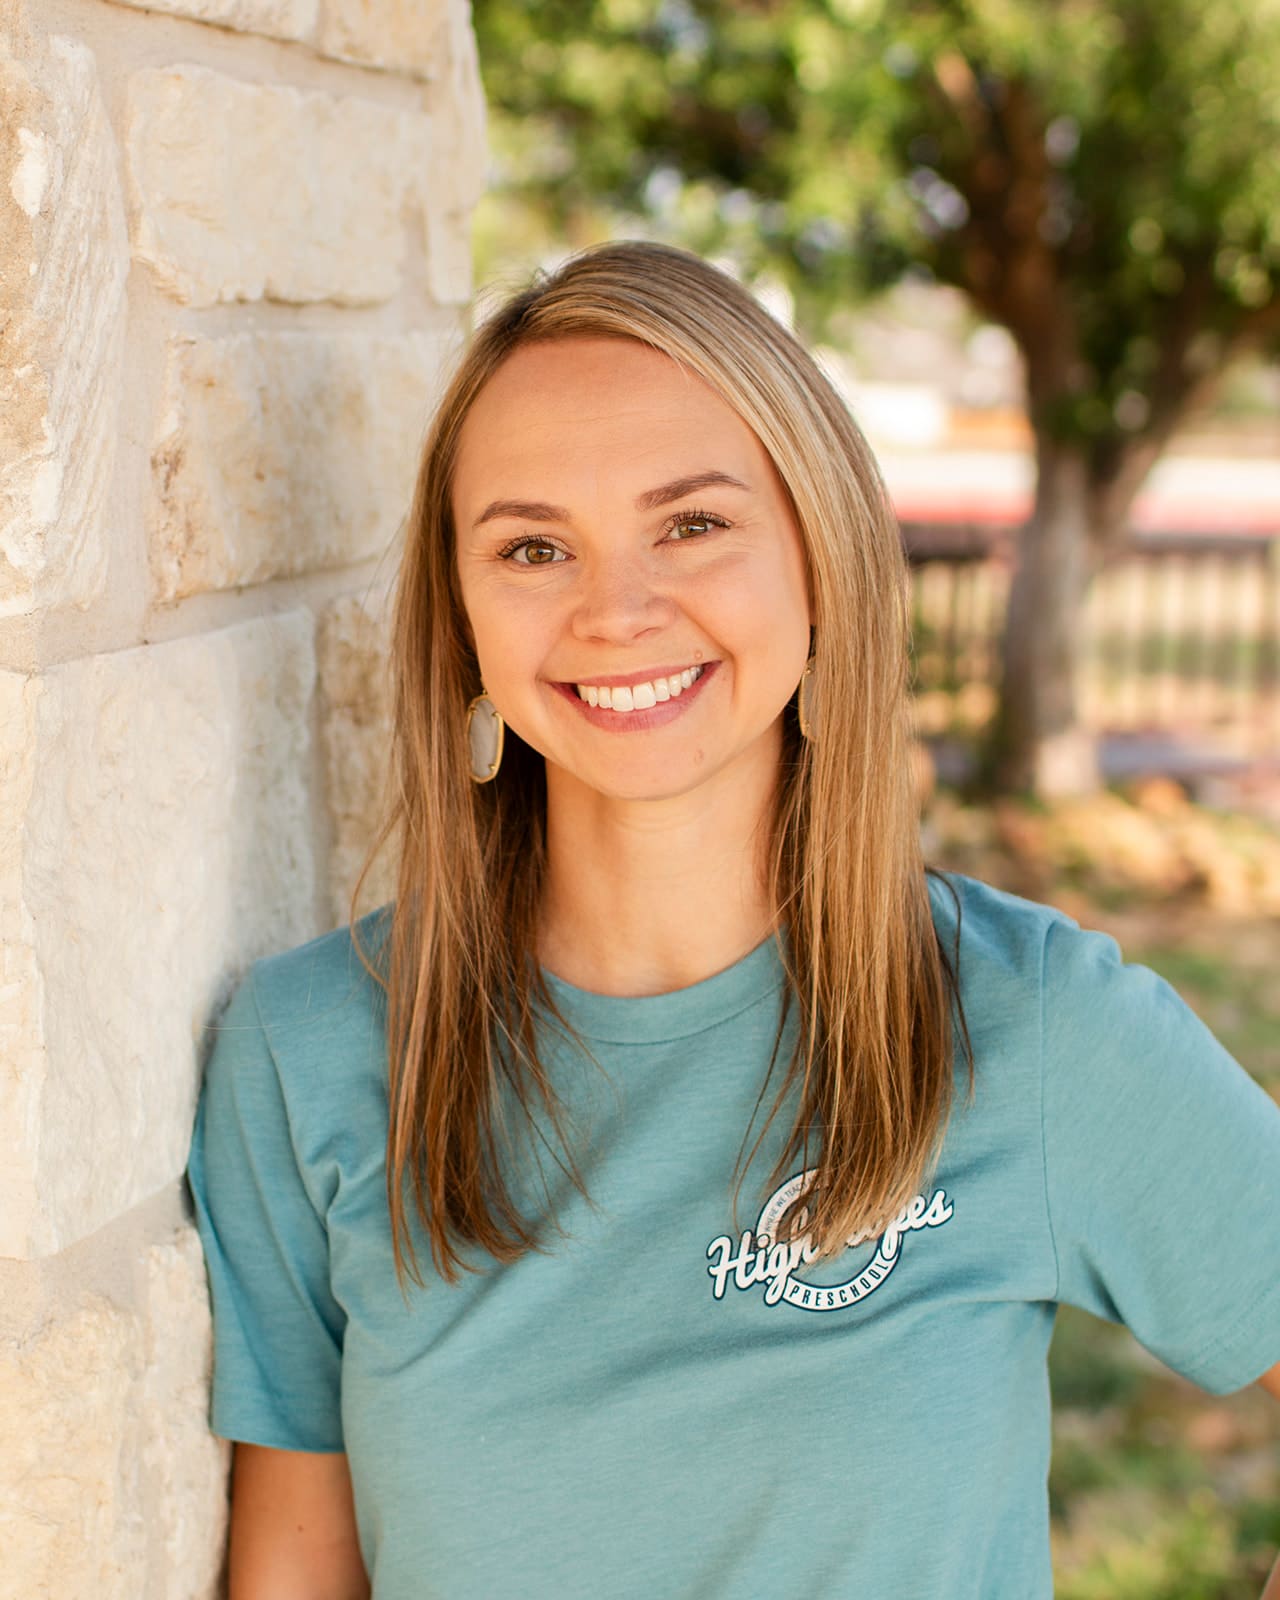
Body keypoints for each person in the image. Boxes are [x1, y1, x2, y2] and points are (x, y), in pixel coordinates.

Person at [187, 241, 1280, 1600]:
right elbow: (297, 1571)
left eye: (692, 524)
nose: (616, 610)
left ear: (817, 563)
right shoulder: (314, 1056)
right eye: (534, 545)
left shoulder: (1031, 1025)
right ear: (462, 620)